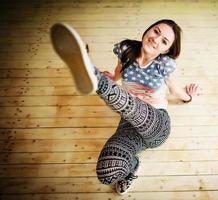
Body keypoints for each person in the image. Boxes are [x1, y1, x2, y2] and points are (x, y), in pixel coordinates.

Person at [50, 19, 199, 195]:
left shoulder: (163, 64)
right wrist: (112, 79)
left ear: (166, 50)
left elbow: (174, 89)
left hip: (157, 123)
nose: (156, 39)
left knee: (130, 106)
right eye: (156, 31)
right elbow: (118, 72)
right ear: (148, 30)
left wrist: (189, 97)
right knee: (105, 174)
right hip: (128, 126)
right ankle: (133, 166)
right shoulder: (126, 49)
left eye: (164, 41)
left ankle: (94, 75)